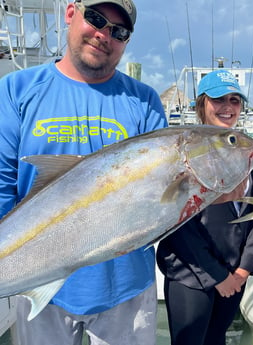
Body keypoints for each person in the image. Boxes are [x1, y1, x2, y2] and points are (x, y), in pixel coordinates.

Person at [0, 0, 167, 344]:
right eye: (96, 19)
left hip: (127, 288)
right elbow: (3, 187)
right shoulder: (16, 90)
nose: (104, 34)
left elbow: (158, 197)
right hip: (37, 281)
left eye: (118, 31)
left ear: (125, 42)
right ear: (71, 12)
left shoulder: (145, 100)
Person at [156, 70, 253, 345]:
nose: (228, 107)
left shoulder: (241, 152)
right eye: (218, 100)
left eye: (235, 100)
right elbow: (177, 227)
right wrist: (218, 276)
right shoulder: (183, 154)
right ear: (201, 104)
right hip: (191, 276)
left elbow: (252, 214)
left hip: (233, 277)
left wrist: (243, 269)